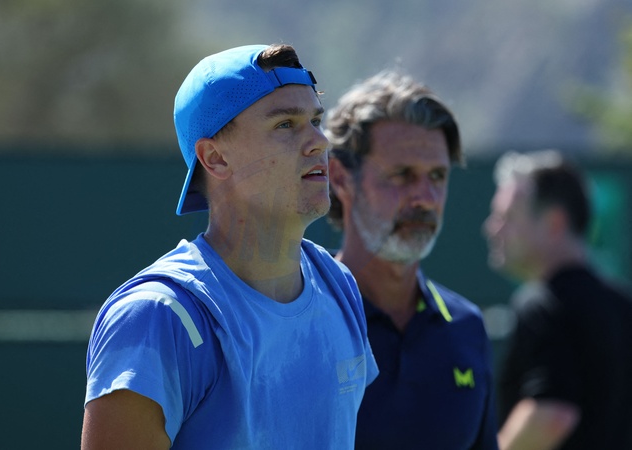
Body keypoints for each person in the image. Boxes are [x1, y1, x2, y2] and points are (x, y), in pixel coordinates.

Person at [81, 44, 379, 450]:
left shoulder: (339, 285)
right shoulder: (157, 317)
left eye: (315, 120)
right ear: (215, 158)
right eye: (286, 125)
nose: (320, 142)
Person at [325, 69, 499, 450]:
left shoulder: (466, 327)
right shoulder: (298, 323)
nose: (425, 198)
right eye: (402, 174)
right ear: (340, 178)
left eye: (437, 176)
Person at [483, 149, 632, 450]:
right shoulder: (622, 307)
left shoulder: (543, 305)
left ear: (554, 223)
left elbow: (551, 415)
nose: (492, 228)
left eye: (507, 217)